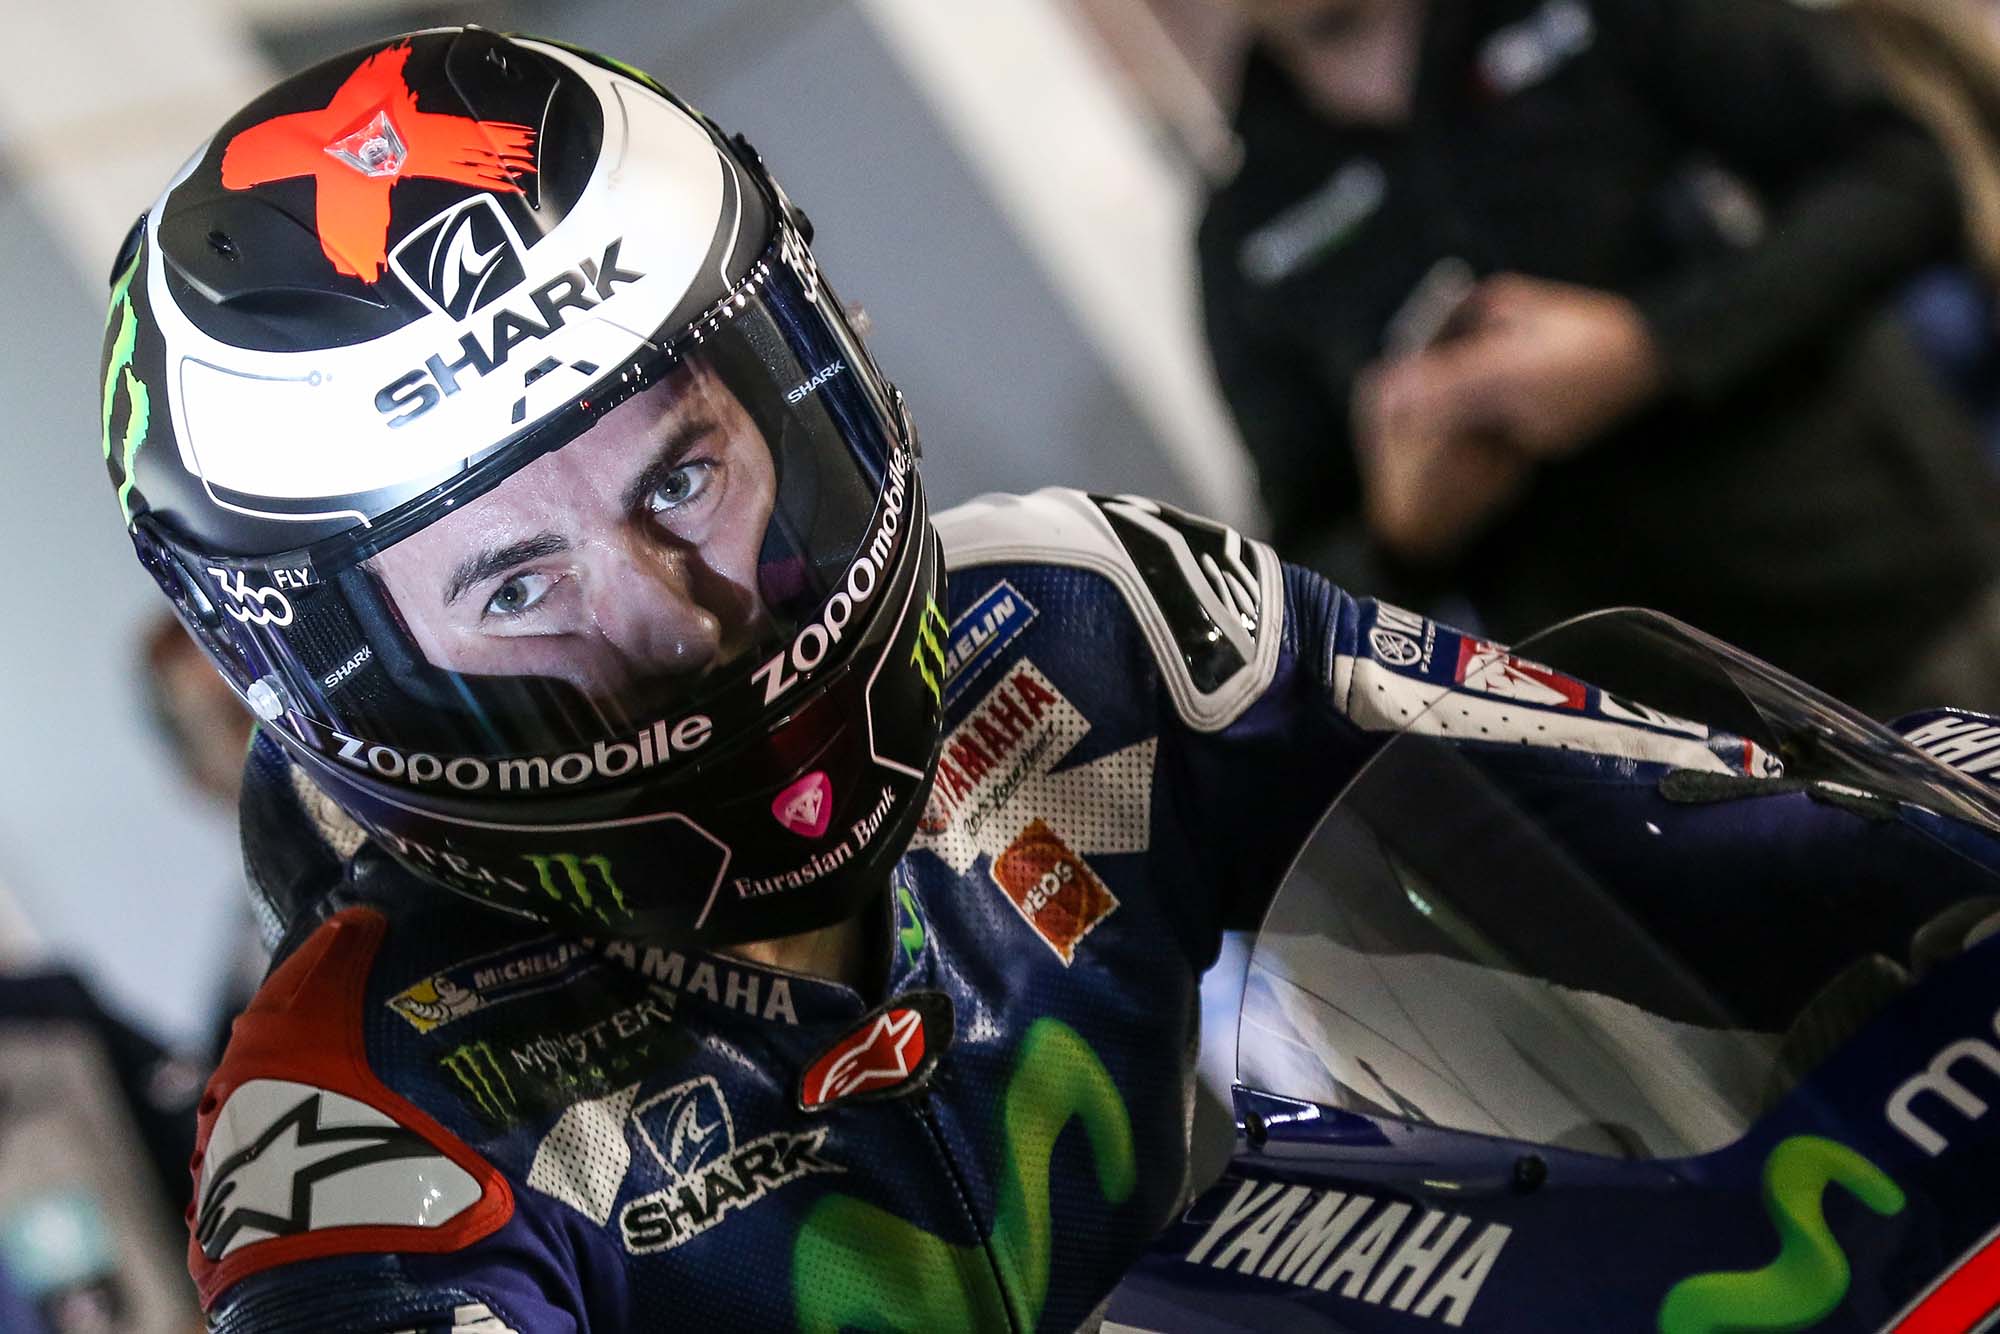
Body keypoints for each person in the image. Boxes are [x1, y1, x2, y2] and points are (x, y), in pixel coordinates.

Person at [96, 29, 2000, 1331]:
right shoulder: (356, 1115)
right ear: (342, 661)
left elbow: (1717, 833)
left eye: (683, 474)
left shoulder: (1094, 615)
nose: (679, 611)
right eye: (517, 579)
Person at [1198, 0, 2000, 720]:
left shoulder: (1605, 15)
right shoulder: (1242, 237)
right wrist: (1401, 534)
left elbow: (1901, 174)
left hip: (1911, 604)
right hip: (1669, 748)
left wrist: (1650, 346)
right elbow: (1296, 581)